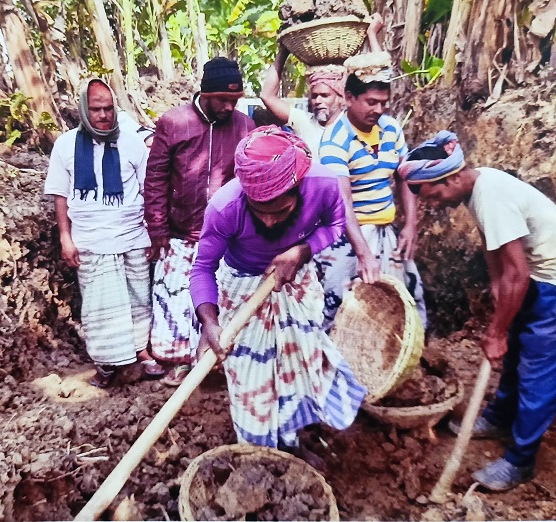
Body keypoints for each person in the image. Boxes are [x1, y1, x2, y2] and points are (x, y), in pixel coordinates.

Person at [398, 130, 556, 491]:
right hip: (538, 278)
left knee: (538, 375)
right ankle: (498, 417)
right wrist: (496, 282)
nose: (435, 205)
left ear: (453, 177)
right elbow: (495, 243)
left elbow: (518, 273)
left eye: (436, 195)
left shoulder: (491, 195)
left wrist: (496, 332)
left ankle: (520, 461)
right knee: (515, 358)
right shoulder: (477, 187)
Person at [191, 126, 366, 458]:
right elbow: (202, 268)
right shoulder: (224, 207)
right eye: (260, 212)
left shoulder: (323, 185)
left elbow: (335, 225)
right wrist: (209, 322)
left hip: (296, 281)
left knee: (296, 365)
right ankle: (259, 455)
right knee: (250, 379)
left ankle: (290, 440)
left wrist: (301, 252)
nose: (270, 223)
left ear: (298, 188)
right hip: (242, 287)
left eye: (280, 212)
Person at [144, 57, 256, 386]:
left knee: (220, 297)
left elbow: (249, 181)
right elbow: (156, 179)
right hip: (181, 231)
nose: (228, 106)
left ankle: (215, 365)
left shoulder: (243, 126)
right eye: (222, 99)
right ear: (204, 93)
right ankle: (180, 362)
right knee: (177, 299)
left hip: (225, 234)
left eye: (234, 100)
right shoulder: (174, 123)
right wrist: (158, 228)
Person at [44, 78, 156, 388]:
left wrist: (151, 232)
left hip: (132, 235)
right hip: (90, 239)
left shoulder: (132, 141)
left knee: (137, 298)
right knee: (98, 306)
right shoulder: (65, 145)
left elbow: (149, 190)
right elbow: (60, 196)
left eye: (109, 108)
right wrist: (66, 238)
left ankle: (141, 353)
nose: (104, 115)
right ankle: (105, 364)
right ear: (83, 110)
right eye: (96, 109)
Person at [317, 51, 427, 332]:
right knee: (340, 304)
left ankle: (404, 361)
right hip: (346, 236)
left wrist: (410, 224)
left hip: (384, 231)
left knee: (404, 298)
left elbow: (405, 176)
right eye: (371, 102)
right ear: (349, 97)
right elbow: (343, 204)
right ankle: (333, 365)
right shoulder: (335, 140)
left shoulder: (390, 129)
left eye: (383, 103)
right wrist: (363, 253)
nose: (378, 110)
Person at [260, 14, 385, 158]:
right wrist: (283, 50)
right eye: (314, 96)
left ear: (341, 97)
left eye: (325, 95)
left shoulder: (353, 122)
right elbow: (267, 95)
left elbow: (379, 83)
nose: (318, 101)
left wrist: (371, 34)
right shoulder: (305, 122)